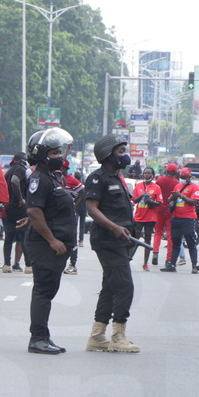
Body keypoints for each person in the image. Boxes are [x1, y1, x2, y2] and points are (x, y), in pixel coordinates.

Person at [84, 134, 139, 353]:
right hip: (108, 239)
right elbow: (92, 208)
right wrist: (114, 227)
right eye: (121, 152)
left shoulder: (117, 178)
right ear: (108, 155)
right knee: (125, 286)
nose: (125, 156)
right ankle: (118, 336)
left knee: (109, 287)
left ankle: (97, 336)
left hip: (122, 240)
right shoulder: (98, 178)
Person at [24, 129, 76, 354]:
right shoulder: (39, 179)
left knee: (48, 291)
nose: (60, 157)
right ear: (44, 156)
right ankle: (37, 339)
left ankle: (44, 335)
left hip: (55, 245)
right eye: (55, 153)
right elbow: (35, 211)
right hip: (45, 245)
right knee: (43, 291)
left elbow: (45, 209)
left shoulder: (52, 177)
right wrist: (52, 240)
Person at [160, 167, 199, 274]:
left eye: (184, 177)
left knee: (191, 242)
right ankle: (172, 265)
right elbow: (169, 199)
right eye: (181, 177)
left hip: (188, 218)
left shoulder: (194, 187)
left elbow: (194, 202)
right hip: (176, 217)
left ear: (189, 178)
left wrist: (181, 196)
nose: (182, 179)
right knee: (175, 243)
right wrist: (172, 198)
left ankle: (194, 266)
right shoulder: (177, 186)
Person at [3, 152, 31, 274]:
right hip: (19, 207)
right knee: (24, 236)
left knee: (9, 237)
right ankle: (28, 266)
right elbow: (15, 181)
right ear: (20, 160)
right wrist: (21, 198)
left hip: (9, 207)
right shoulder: (20, 169)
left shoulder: (8, 171)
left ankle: (7, 264)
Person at [131, 166, 162, 271]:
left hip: (150, 218)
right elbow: (134, 200)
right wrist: (141, 197)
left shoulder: (156, 187)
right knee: (135, 239)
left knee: (147, 240)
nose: (147, 175)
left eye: (149, 173)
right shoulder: (138, 185)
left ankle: (145, 263)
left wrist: (151, 202)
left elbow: (159, 203)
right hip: (139, 216)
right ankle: (128, 258)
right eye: (145, 173)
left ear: (152, 175)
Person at [153, 163, 179, 268]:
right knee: (170, 234)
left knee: (158, 232)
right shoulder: (176, 183)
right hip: (170, 210)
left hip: (159, 208)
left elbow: (155, 192)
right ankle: (169, 259)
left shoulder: (160, 180)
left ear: (166, 171)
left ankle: (155, 253)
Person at [62, 160, 85, 275]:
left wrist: (75, 206)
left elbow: (84, 193)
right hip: (59, 214)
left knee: (72, 238)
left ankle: (72, 264)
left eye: (61, 168)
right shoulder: (57, 179)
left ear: (65, 169)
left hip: (70, 215)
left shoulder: (72, 180)